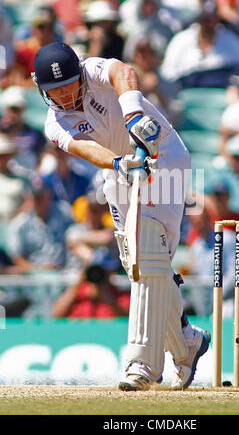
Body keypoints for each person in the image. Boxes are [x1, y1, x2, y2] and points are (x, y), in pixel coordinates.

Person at [31, 41, 210, 391]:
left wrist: (133, 114)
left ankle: (141, 364)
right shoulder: (54, 123)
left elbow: (123, 72)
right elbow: (84, 147)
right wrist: (118, 162)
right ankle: (186, 340)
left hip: (165, 162)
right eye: (55, 91)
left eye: (69, 86)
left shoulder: (94, 69)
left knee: (148, 251)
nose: (65, 97)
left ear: (79, 74)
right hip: (120, 172)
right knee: (141, 264)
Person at [160, 0, 239, 89]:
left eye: (212, 19)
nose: (209, 24)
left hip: (223, 94)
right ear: (199, 19)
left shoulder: (232, 40)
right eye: (206, 20)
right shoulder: (181, 40)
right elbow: (167, 73)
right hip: (187, 93)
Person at [6, 178, 74, 273]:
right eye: (36, 198)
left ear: (49, 196)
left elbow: (76, 234)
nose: (39, 201)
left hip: (64, 272)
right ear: (29, 198)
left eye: (42, 197)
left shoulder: (63, 212)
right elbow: (16, 257)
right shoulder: (20, 223)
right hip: (34, 276)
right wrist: (39, 269)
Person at [52, 263, 130, 318]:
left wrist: (108, 299)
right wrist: (79, 283)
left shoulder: (118, 296)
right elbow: (57, 314)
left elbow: (127, 317)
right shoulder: (77, 294)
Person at [0, 85, 46, 170]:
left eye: (17, 109)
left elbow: (42, 155)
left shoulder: (35, 135)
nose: (14, 114)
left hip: (28, 177)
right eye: (11, 109)